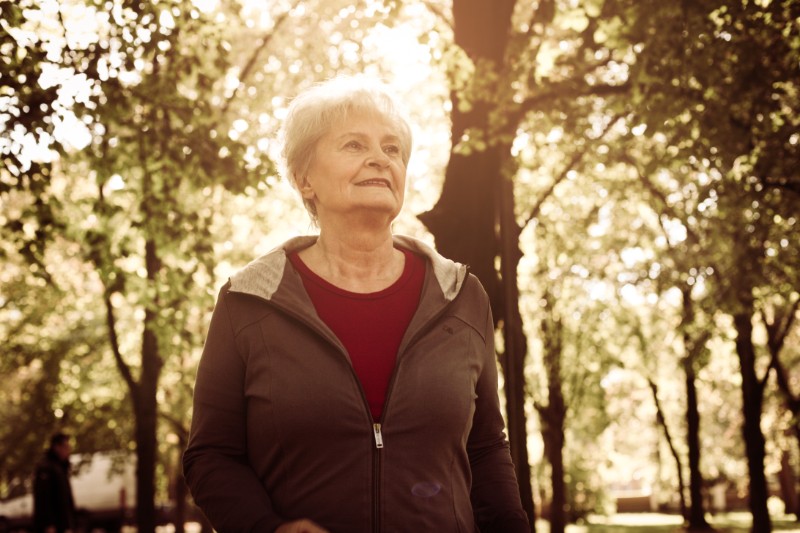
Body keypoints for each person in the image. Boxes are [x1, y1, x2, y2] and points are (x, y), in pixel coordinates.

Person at [182, 75, 530, 533]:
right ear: (305, 179)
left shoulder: (462, 295)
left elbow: (486, 447)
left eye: (392, 149)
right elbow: (212, 454)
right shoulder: (248, 300)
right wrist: (267, 529)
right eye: (353, 145)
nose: (379, 159)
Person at [33, 432, 76, 533]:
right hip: (53, 526)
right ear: (56, 447)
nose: (68, 450)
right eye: (66, 447)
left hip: (62, 524)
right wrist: (49, 524)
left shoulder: (61, 468)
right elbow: (43, 499)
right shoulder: (46, 468)